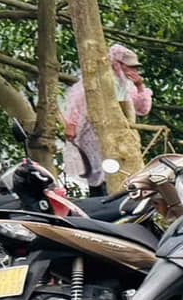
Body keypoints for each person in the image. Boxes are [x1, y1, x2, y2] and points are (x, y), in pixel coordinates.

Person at [61, 43, 152, 192]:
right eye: (128, 66)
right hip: (94, 132)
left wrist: (139, 86)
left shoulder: (127, 86)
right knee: (98, 170)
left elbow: (143, 109)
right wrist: (72, 124)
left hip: (120, 136)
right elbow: (77, 103)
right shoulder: (98, 80)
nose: (131, 70)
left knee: (121, 171)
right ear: (117, 64)